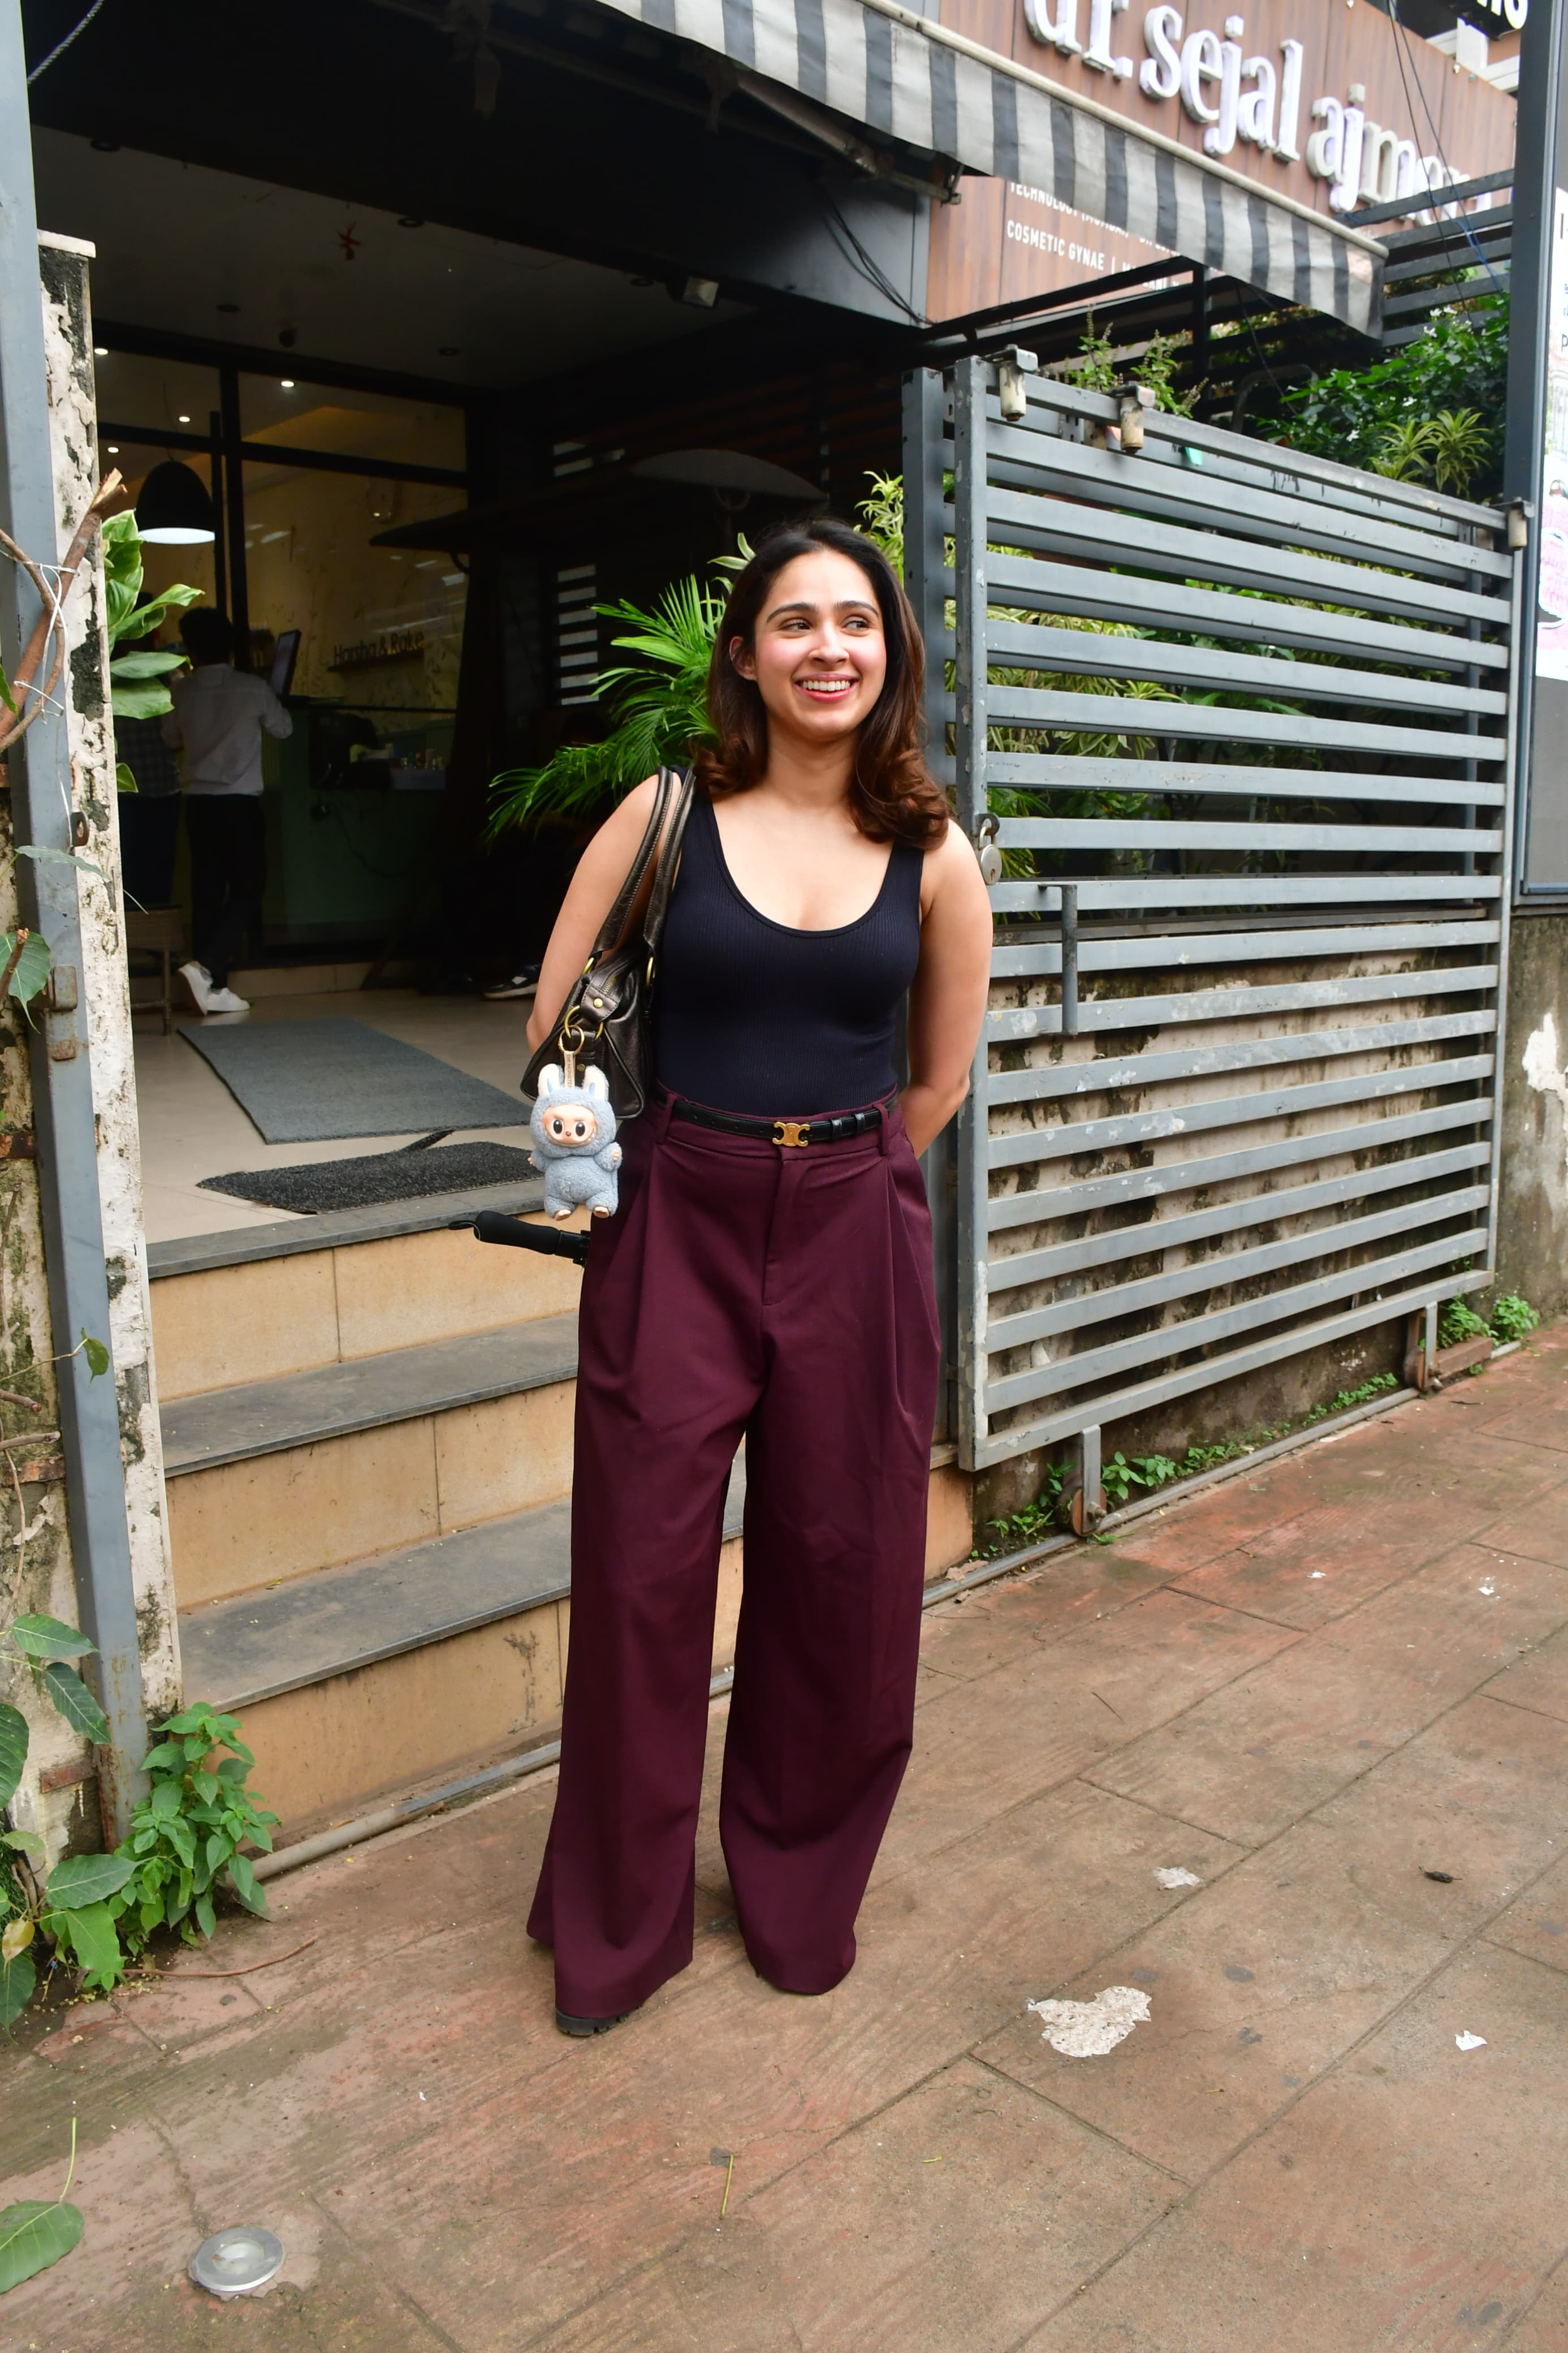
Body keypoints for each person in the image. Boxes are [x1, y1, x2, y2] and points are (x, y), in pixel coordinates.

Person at [524, 518, 993, 2036]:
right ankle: (618, 1924)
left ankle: (798, 1896)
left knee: (844, 1578)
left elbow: (938, 1082)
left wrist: (833, 1168)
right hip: (678, 1215)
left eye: (852, 622)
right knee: (642, 1578)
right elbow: (556, 1036)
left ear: (890, 651)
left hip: (855, 1217)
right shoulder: (666, 814)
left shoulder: (932, 850)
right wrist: (640, 1174)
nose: (825, 648)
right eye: (792, 622)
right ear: (744, 653)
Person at [162, 608, 291, 1015]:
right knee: (250, 887)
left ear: (190, 650)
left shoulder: (182, 692)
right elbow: (284, 728)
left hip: (198, 803)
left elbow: (170, 738)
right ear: (232, 648)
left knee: (207, 893)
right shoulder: (252, 688)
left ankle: (213, 988)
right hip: (240, 803)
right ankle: (205, 971)